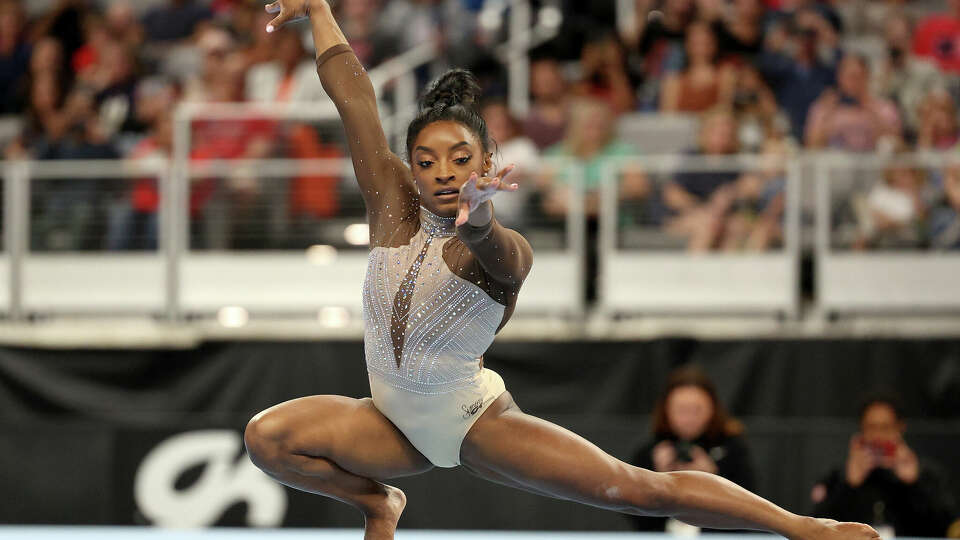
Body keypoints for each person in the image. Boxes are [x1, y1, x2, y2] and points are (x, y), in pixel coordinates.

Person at [243, 2, 882, 540]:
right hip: (386, 425)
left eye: (459, 158)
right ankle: (378, 502)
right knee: (268, 439)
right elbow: (355, 103)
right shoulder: (390, 208)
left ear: (486, 161)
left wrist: (481, 223)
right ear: (410, 167)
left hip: (471, 423)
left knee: (635, 489)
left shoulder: (498, 245)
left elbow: (499, 257)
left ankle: (803, 528)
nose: (442, 171)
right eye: (427, 160)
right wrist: (321, 11)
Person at [631, 366, 756, 532]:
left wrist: (713, 479)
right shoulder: (650, 452)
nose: (689, 419)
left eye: (697, 410)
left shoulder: (732, 449)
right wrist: (657, 481)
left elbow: (751, 510)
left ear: (712, 408)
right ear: (666, 410)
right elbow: (635, 516)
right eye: (681, 410)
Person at [811, 395, 957, 537]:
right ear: (861, 430)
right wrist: (849, 485)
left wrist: (914, 484)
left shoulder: (926, 474)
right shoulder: (839, 476)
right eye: (871, 427)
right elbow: (817, 528)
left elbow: (948, 528)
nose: (878, 436)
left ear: (900, 428)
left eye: (885, 427)